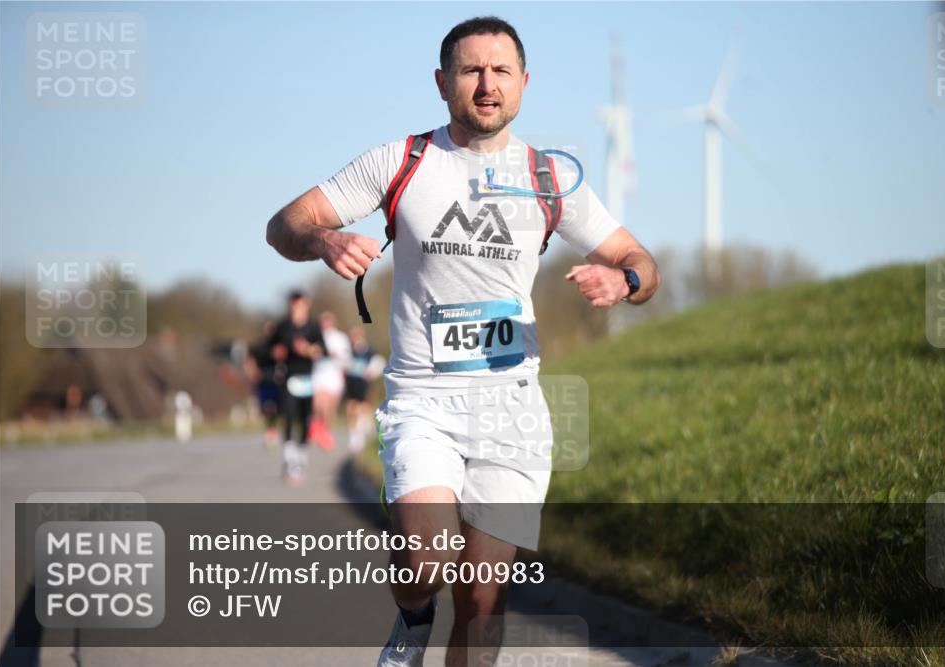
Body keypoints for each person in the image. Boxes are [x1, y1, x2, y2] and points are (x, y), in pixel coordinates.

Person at [266, 16, 658, 666]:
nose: (486, 84)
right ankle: (414, 614)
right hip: (424, 403)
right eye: (471, 70)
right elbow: (285, 223)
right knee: (426, 557)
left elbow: (642, 260)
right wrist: (323, 239)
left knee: (482, 596)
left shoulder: (548, 177)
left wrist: (627, 279)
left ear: (524, 83)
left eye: (500, 71)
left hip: (512, 412)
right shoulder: (400, 162)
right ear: (443, 81)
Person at [268, 290, 325, 485]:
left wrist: (308, 350)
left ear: (306, 304)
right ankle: (290, 460)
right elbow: (269, 349)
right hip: (288, 378)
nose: (296, 308)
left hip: (307, 379)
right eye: (293, 304)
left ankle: (301, 459)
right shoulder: (282, 326)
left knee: (305, 420)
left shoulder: (313, 326)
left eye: (299, 304)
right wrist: (276, 352)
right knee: (289, 419)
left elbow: (322, 351)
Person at [310, 311, 352, 450]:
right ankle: (317, 428)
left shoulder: (340, 337)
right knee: (318, 403)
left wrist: (336, 356)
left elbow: (347, 358)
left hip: (334, 374)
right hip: (319, 374)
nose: (325, 324)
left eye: (327, 321)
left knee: (330, 408)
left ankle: (327, 432)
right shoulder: (315, 336)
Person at [343, 325, 386, 453]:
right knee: (351, 409)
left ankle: (363, 430)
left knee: (363, 408)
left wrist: (371, 372)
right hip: (351, 384)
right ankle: (354, 435)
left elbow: (379, 362)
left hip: (363, 384)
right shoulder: (349, 350)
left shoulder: (368, 351)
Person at [244, 319, 286, 448]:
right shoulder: (259, 345)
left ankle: (273, 430)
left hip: (278, 381)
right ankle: (270, 431)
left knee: (278, 408)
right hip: (263, 380)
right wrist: (252, 373)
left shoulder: (281, 345)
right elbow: (248, 360)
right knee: (267, 407)